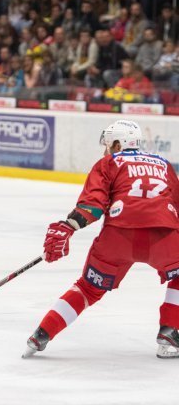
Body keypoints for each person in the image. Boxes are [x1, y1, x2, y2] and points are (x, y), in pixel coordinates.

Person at [24, 120, 179, 359]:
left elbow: (92, 207)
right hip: (164, 237)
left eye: (108, 144)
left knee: (88, 288)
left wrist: (68, 226)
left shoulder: (108, 163)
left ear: (118, 143)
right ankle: (169, 331)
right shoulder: (164, 165)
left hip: (118, 237)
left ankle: (42, 333)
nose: (105, 149)